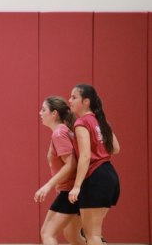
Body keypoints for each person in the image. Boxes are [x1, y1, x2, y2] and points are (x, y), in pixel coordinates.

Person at [68, 84, 120, 245]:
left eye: (74, 97)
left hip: (95, 177)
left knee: (93, 235)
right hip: (109, 175)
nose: (69, 100)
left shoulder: (81, 123)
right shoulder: (100, 120)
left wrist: (76, 186)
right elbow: (116, 148)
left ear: (86, 101)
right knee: (78, 232)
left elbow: (84, 156)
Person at [35, 97, 84, 245]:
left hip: (70, 191)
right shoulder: (65, 130)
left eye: (44, 110)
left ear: (54, 113)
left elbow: (71, 164)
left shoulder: (59, 133)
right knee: (73, 236)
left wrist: (48, 185)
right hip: (73, 191)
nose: (40, 113)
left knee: (47, 234)